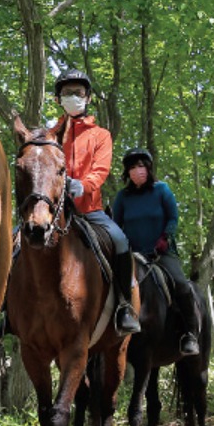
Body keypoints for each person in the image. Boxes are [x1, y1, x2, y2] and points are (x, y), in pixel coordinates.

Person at [53, 69, 141, 337]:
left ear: (88, 97)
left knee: (120, 242)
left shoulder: (101, 135)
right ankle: (7, 311)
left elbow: (101, 170)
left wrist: (83, 185)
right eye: (67, 93)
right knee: (16, 241)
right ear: (58, 99)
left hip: (90, 210)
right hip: (54, 211)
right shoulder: (50, 133)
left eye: (78, 93)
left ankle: (125, 306)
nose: (73, 97)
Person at [111, 148, 202, 356]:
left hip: (162, 253)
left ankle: (190, 333)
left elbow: (173, 218)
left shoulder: (162, 190)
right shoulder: (123, 197)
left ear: (149, 168)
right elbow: (116, 225)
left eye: (140, 166)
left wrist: (165, 238)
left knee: (181, 285)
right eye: (132, 168)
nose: (137, 171)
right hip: (133, 255)